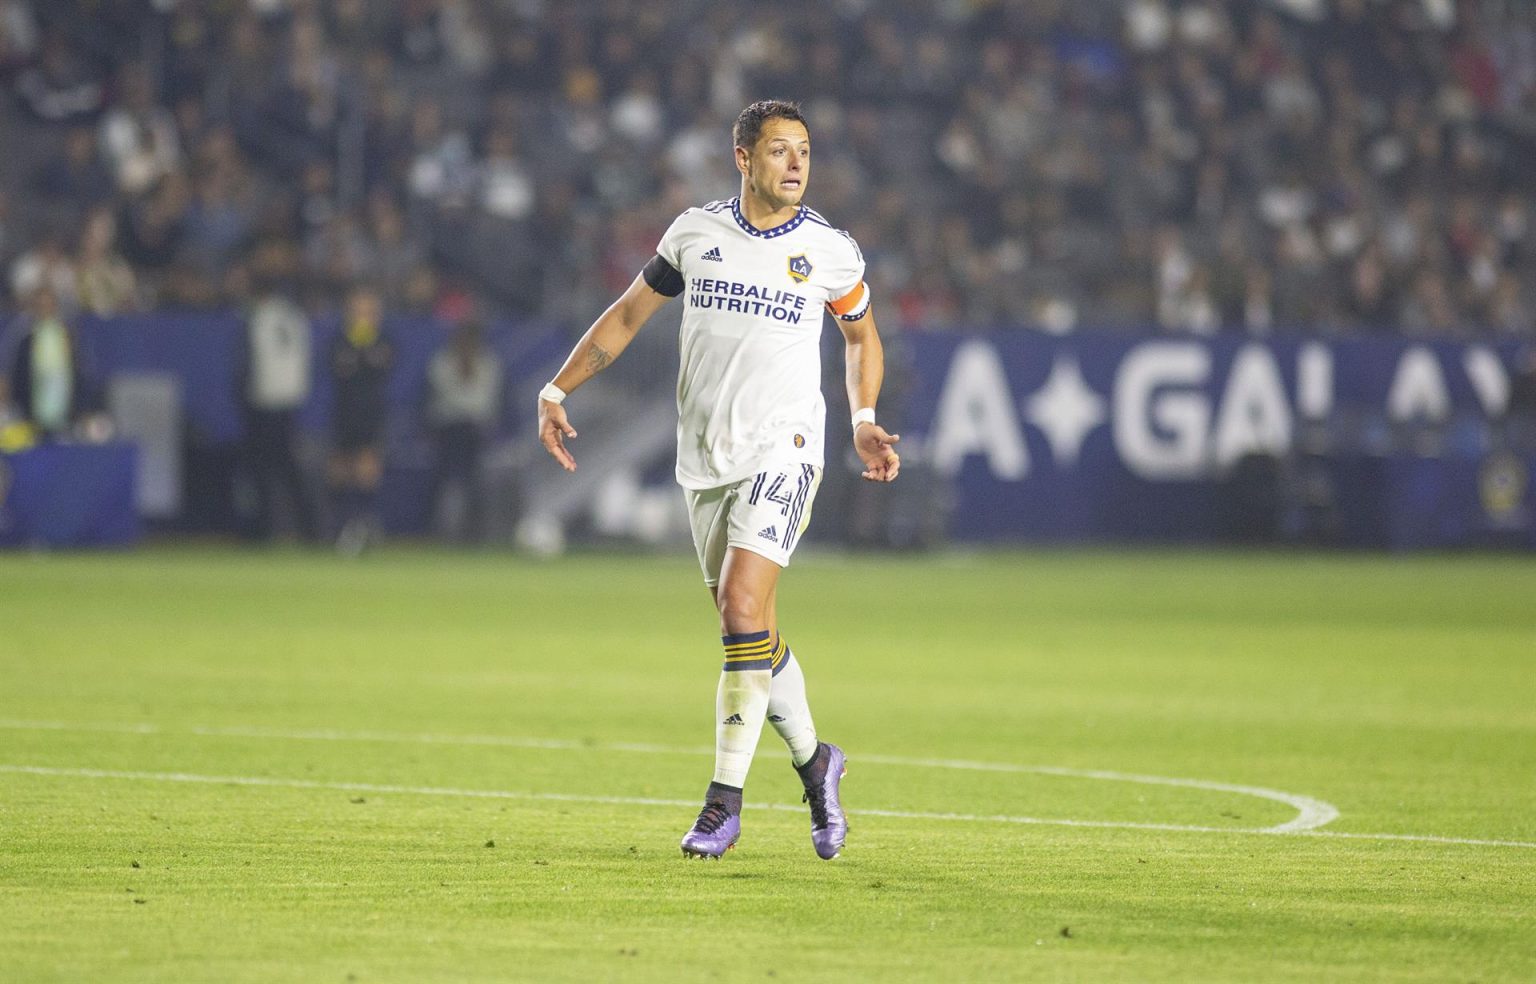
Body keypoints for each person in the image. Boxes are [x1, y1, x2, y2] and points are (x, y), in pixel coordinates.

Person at [536, 100, 901, 860]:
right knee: (750, 633)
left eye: (804, 149)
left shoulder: (829, 251)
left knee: (741, 606)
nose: (796, 164)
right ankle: (816, 763)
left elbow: (860, 336)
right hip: (705, 458)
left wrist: (864, 415)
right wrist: (557, 388)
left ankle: (721, 804)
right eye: (778, 150)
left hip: (787, 448)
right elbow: (628, 315)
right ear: (743, 158)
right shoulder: (695, 234)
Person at [238, 270, 318, 542]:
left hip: (263, 402)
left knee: (262, 471)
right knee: (289, 469)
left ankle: (262, 532)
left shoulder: (258, 318)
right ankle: (310, 529)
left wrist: (244, 397)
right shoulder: (296, 318)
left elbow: (246, 364)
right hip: (290, 402)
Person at [329, 285, 394, 553]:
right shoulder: (339, 341)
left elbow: (383, 365)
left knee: (367, 469)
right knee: (340, 471)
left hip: (370, 415)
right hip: (344, 414)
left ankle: (364, 526)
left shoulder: (384, 341)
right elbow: (337, 367)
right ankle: (342, 527)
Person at [425, 316, 502, 542]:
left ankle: (476, 535)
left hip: (477, 432)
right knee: (447, 484)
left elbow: (487, 401)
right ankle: (442, 535)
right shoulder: (442, 363)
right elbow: (443, 398)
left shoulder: (488, 363)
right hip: (449, 430)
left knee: (477, 485)